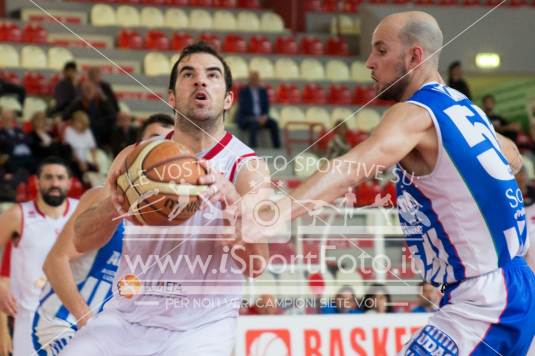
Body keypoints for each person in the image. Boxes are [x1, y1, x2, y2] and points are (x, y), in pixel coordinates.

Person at [251, 11, 533, 355]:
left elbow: (352, 167)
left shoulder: (415, 113)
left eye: (381, 50)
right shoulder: (464, 108)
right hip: (516, 284)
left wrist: (276, 212)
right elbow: (514, 156)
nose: (369, 61)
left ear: (415, 56)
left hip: (484, 300)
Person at [61, 42, 269, 356]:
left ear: (228, 99)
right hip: (125, 321)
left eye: (212, 75)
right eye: (189, 74)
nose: (200, 81)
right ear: (171, 97)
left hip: (200, 329)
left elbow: (257, 263)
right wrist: (113, 204)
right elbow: (80, 239)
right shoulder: (135, 158)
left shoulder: (248, 169)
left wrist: (233, 205)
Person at [31, 119, 172, 355]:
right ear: (137, 150)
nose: (161, 148)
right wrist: (87, 321)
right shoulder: (104, 198)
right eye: (154, 139)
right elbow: (54, 263)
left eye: (169, 142)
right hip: (63, 321)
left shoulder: (166, 220)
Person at [0, 157, 78, 356]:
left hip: (74, 315)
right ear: (37, 181)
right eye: (49, 177)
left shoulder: (81, 211)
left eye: (60, 178)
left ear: (69, 182)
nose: (55, 183)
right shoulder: (18, 214)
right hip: (30, 316)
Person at [62, 81, 117, 148]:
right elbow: (65, 116)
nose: (89, 92)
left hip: (98, 133)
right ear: (82, 91)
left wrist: (104, 99)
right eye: (87, 89)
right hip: (81, 133)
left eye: (91, 89)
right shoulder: (77, 103)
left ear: (95, 91)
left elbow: (112, 115)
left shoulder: (100, 102)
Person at [236, 71, 281, 149]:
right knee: (254, 124)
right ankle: (253, 148)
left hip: (262, 117)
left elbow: (266, 106)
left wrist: (264, 116)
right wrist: (256, 118)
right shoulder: (243, 91)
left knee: (274, 123)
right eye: (253, 78)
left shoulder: (263, 91)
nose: (255, 80)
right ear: (249, 79)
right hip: (247, 117)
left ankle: (277, 148)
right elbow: (243, 107)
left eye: (256, 78)